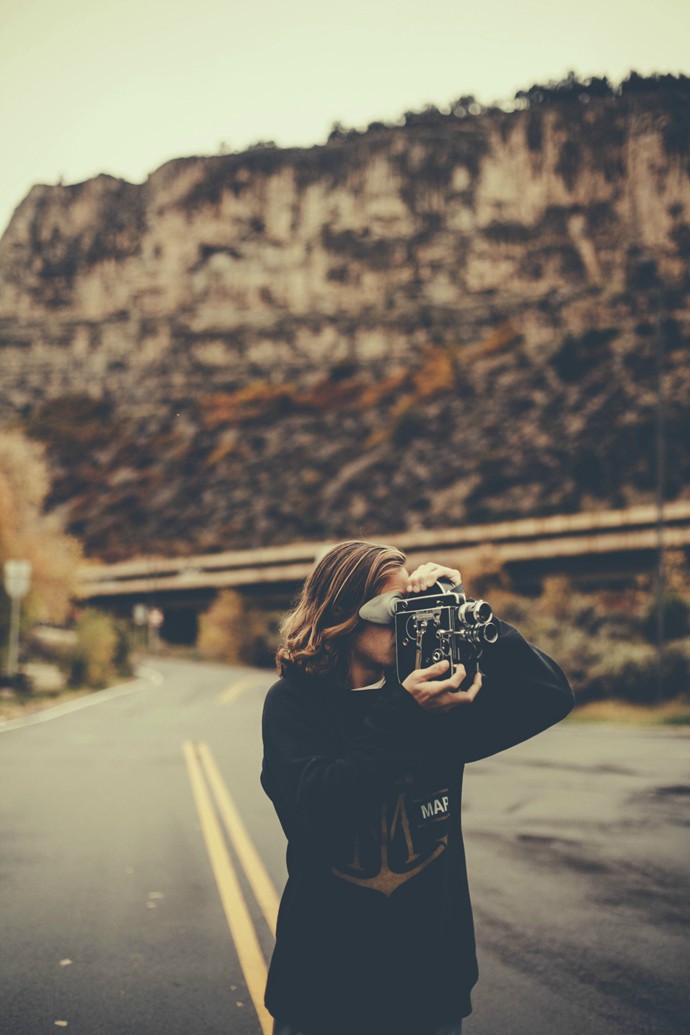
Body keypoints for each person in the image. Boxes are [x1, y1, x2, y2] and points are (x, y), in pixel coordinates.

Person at [261, 540, 574, 1035]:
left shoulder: (435, 698)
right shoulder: (295, 703)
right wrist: (406, 714)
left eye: (415, 606)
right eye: (394, 607)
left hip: (428, 987)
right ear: (343, 612)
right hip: (324, 986)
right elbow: (318, 809)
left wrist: (467, 614)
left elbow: (550, 695)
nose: (408, 619)